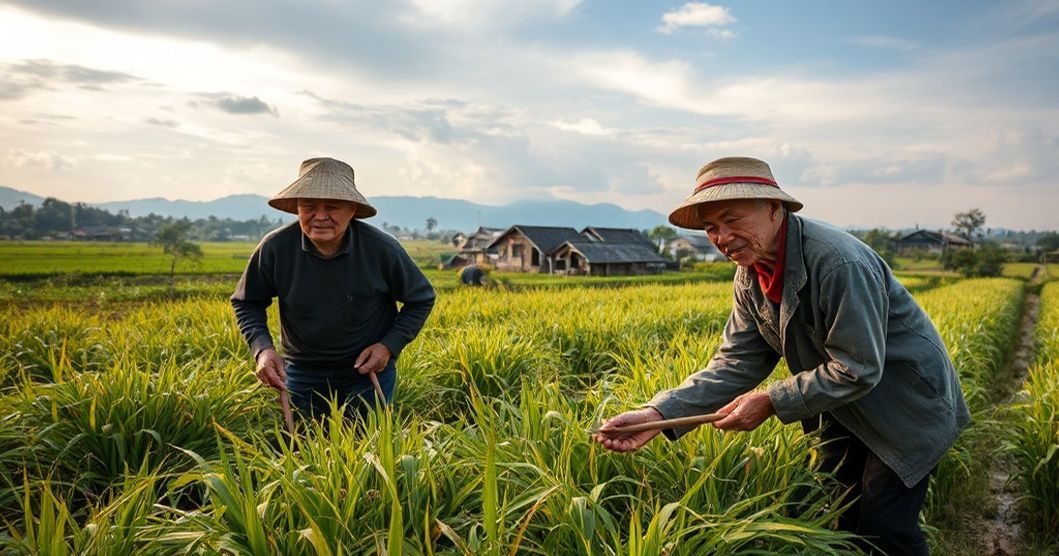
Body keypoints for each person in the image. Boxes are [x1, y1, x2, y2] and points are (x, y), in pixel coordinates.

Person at [594, 156, 969, 555]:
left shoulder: (837, 262)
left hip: (904, 406)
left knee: (885, 526)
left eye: (732, 219)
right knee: (841, 515)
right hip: (840, 407)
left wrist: (771, 401)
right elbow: (737, 361)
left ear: (775, 208)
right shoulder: (750, 274)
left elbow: (858, 368)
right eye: (711, 228)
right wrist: (659, 414)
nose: (722, 237)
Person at [231, 157, 435, 419]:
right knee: (302, 446)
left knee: (369, 449)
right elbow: (247, 301)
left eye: (332, 207)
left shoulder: (381, 249)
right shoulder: (275, 248)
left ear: (351, 210)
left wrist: (388, 346)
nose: (320, 216)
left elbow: (421, 299)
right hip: (302, 372)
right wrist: (263, 349)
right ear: (297, 209)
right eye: (309, 206)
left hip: (367, 372)